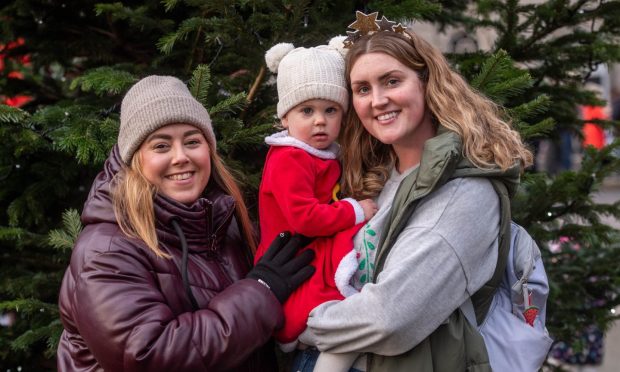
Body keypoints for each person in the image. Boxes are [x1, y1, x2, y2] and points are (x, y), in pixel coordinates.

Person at [294, 11, 533, 371]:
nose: (377, 100)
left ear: (426, 82)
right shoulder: (376, 178)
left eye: (391, 81)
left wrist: (294, 325)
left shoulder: (466, 192)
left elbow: (390, 316)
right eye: (362, 89)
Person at [56, 75, 315, 371]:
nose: (181, 157)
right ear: (134, 158)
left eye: (192, 141)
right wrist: (261, 291)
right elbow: (150, 355)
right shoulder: (106, 251)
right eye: (161, 146)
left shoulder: (221, 225)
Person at [256, 39, 377, 362]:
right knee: (318, 312)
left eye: (330, 110)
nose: (319, 120)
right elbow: (304, 218)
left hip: (313, 249)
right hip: (293, 258)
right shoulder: (289, 159)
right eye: (306, 111)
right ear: (285, 117)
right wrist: (354, 210)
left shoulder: (320, 154)